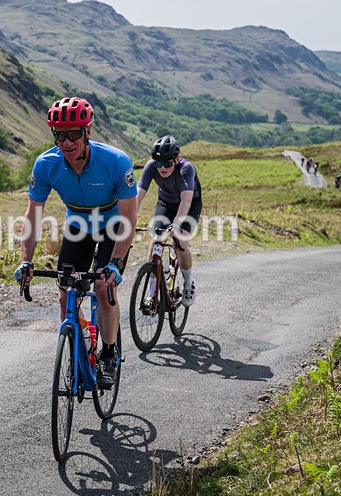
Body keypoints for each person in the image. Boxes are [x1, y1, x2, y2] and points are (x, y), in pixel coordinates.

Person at [14, 96, 137, 388]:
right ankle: (80, 343)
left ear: (87, 132)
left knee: (104, 286)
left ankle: (108, 353)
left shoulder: (116, 161)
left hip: (113, 227)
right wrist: (26, 260)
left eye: (73, 135)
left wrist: (115, 263)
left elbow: (129, 219)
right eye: (60, 135)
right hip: (79, 227)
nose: (67, 143)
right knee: (64, 292)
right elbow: (33, 216)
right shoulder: (46, 165)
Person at [136, 135, 202, 307]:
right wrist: (128, 218)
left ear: (176, 159)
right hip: (165, 203)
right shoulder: (150, 167)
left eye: (167, 163)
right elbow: (138, 196)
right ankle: (151, 296)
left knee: (180, 241)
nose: (162, 167)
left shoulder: (186, 168)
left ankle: (188, 283)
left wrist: (177, 223)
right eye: (158, 163)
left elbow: (186, 201)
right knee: (156, 241)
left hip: (189, 204)